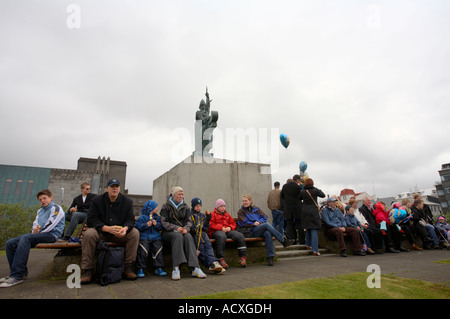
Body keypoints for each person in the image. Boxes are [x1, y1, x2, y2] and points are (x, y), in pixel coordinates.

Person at [1, 189, 65, 288]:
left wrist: (36, 233)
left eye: (45, 198)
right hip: (39, 235)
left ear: (51, 198)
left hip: (52, 235)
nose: (43, 201)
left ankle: (17, 276)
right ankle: (20, 272)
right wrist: (33, 231)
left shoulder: (57, 208)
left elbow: (51, 224)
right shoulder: (40, 211)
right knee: (10, 243)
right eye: (40, 199)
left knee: (26, 238)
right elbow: (35, 224)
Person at [80, 178, 139, 284]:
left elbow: (130, 220)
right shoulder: (97, 200)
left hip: (118, 234)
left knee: (134, 233)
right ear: (107, 188)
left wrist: (125, 229)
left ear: (119, 188)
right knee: (89, 234)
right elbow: (91, 220)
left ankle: (128, 267)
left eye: (116, 186)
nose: (114, 189)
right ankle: (88, 270)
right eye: (112, 186)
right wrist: (106, 228)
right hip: (101, 232)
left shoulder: (127, 202)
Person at [160, 187, 206, 280]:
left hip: (182, 231)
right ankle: (176, 268)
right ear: (174, 195)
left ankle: (195, 268)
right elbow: (164, 222)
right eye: (179, 194)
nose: (181, 196)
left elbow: (189, 221)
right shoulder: (165, 206)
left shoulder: (185, 207)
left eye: (182, 194)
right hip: (169, 232)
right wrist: (177, 228)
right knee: (178, 236)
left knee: (188, 236)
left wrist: (186, 229)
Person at [237, 194, 294, 266]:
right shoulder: (241, 211)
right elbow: (243, 223)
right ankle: (283, 240)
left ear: (250, 201)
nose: (244, 202)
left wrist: (259, 222)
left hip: (259, 227)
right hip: (250, 231)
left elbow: (264, 217)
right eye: (243, 201)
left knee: (267, 233)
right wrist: (253, 223)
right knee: (266, 225)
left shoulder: (256, 209)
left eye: (246, 201)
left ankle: (270, 257)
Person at [209, 199, 248, 268]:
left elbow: (233, 223)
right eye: (221, 206)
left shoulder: (227, 214)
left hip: (227, 230)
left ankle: (242, 257)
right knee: (221, 236)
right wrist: (221, 228)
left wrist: (230, 227)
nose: (223, 208)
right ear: (217, 207)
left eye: (224, 206)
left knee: (240, 236)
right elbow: (211, 224)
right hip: (216, 232)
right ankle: (220, 258)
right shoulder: (213, 214)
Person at [189, 198, 224, 274]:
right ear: (193, 206)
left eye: (200, 206)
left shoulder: (202, 215)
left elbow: (205, 227)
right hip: (195, 235)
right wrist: (196, 228)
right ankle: (209, 264)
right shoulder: (190, 215)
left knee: (209, 247)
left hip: (203, 234)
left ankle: (214, 262)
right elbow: (191, 228)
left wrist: (208, 219)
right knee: (201, 249)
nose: (198, 207)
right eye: (197, 206)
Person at [135, 200, 167, 278]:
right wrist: (146, 225)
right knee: (143, 250)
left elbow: (161, 227)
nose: (157, 208)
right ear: (150, 208)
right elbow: (137, 226)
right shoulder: (142, 217)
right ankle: (140, 268)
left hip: (156, 237)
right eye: (156, 207)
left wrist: (156, 225)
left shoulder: (157, 217)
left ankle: (159, 267)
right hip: (144, 237)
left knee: (158, 250)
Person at [299, 178, 325, 256]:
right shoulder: (315, 190)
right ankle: (315, 250)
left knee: (308, 228)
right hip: (313, 210)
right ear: (312, 183)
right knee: (314, 229)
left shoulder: (302, 191)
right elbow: (323, 195)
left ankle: (308, 244)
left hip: (305, 210)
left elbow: (299, 198)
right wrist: (316, 189)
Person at [280, 175, 304, 244]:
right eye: (299, 180)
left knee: (290, 225)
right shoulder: (298, 187)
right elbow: (301, 197)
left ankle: (293, 240)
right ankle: (302, 240)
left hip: (288, 208)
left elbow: (282, 196)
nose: (299, 182)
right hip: (297, 208)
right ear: (297, 180)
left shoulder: (285, 186)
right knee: (299, 225)